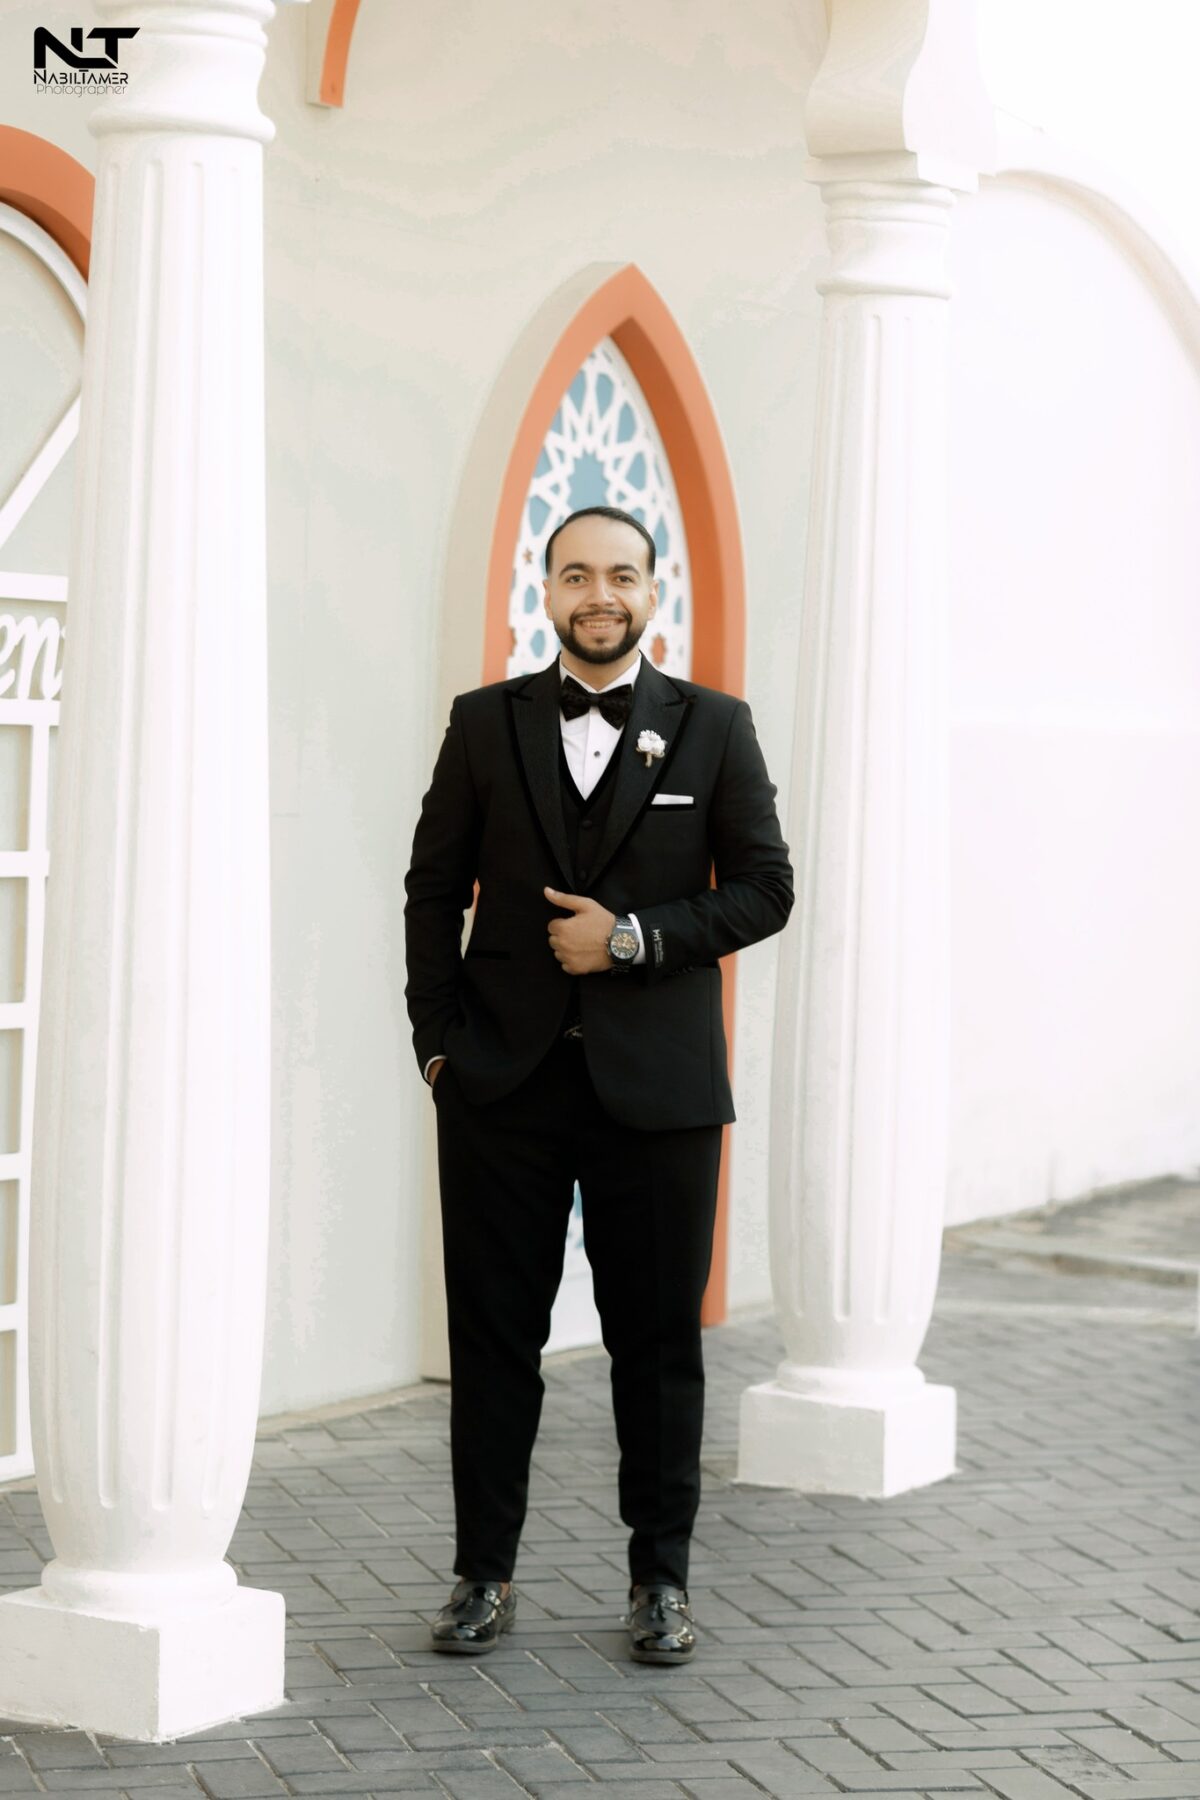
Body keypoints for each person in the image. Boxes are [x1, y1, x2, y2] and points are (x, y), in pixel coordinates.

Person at [404, 504, 794, 1662]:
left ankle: (660, 1582)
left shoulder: (715, 727)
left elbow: (766, 888)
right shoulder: (485, 723)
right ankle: (482, 1574)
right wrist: (438, 1046)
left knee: (659, 1347)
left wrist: (632, 940)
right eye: (576, 575)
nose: (600, 595)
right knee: (492, 1343)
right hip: (500, 1086)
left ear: (651, 590)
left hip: (660, 1093)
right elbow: (432, 889)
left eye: (621, 575)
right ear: (548, 591)